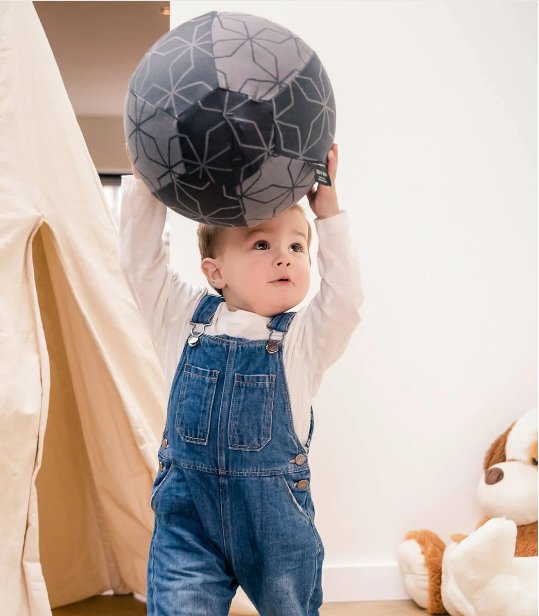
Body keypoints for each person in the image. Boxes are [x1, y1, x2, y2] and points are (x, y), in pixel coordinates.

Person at [119, 144, 363, 616]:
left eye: (297, 245)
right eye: (261, 243)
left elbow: (346, 299)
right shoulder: (181, 318)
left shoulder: (301, 341)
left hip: (275, 530)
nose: (285, 257)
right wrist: (145, 180)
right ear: (215, 271)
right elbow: (138, 263)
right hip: (189, 524)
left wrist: (328, 215)